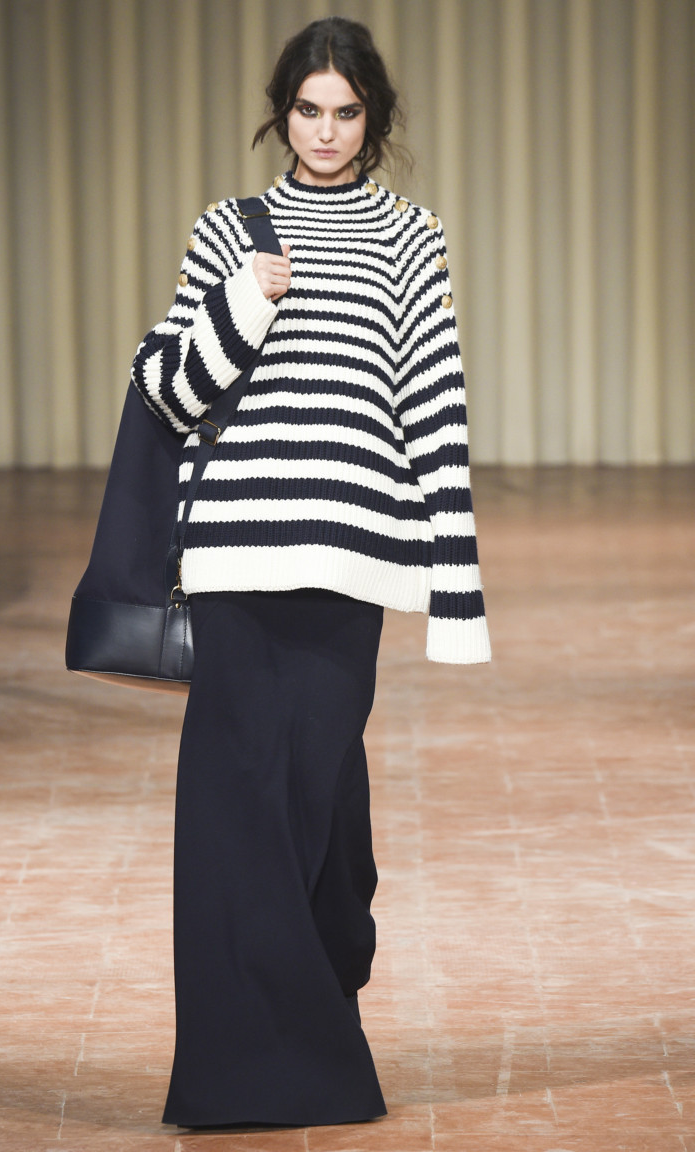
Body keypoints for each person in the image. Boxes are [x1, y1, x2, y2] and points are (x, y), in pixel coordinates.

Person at [130, 16, 491, 1130]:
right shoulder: (227, 232)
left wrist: (457, 592)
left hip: (349, 563)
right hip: (236, 558)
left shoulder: (411, 238)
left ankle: (319, 994)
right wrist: (244, 303)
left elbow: (434, 407)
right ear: (280, 114)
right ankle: (254, 1070)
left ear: (373, 120)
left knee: (318, 805)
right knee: (238, 812)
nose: (325, 131)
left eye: (345, 112)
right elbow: (164, 388)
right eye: (307, 110)